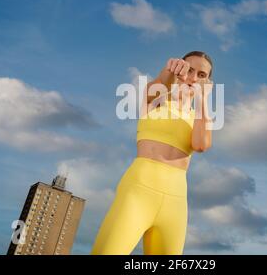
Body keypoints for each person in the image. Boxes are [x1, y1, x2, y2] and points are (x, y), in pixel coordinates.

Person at [91, 51, 214, 255]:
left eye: (201, 75)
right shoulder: (157, 100)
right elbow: (158, 87)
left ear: (208, 81)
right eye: (189, 70)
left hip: (176, 200)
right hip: (139, 190)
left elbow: (201, 145)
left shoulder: (198, 116)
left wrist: (203, 100)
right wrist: (169, 71)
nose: (193, 78)